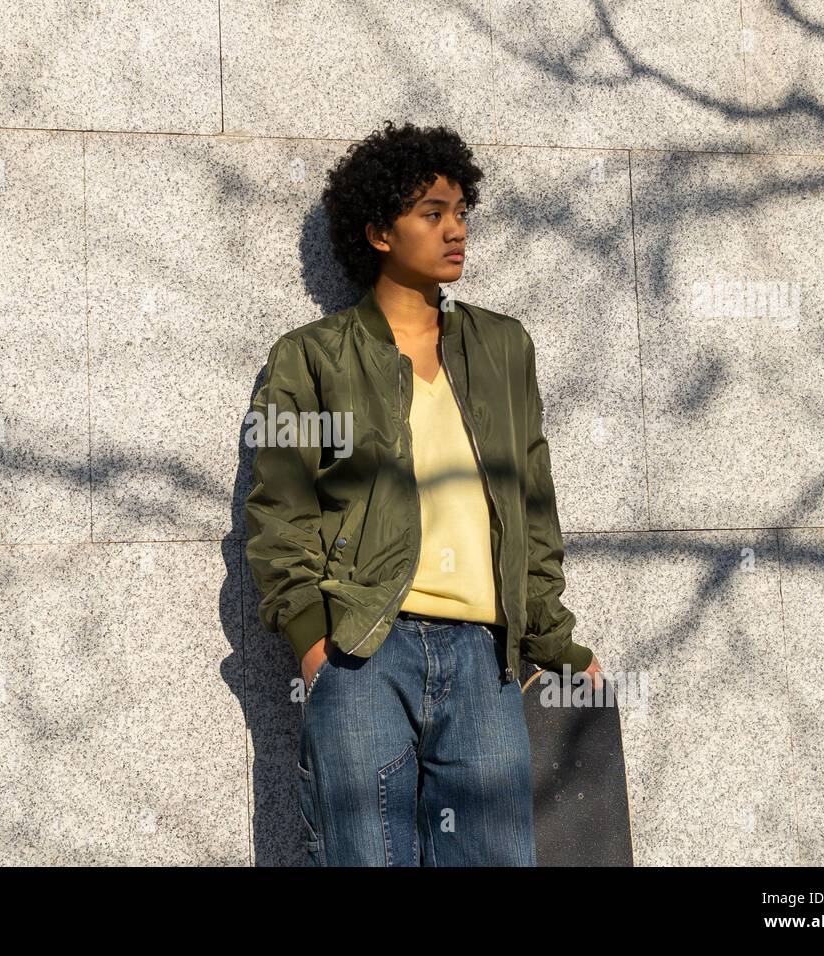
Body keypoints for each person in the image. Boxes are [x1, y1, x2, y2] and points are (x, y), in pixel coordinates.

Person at [244, 120, 603, 866]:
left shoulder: (503, 348)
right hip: (364, 651)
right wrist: (315, 647)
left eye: (461, 212)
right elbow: (281, 510)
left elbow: (533, 509)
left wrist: (554, 643)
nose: (455, 230)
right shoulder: (313, 357)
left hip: (484, 657)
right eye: (432, 213)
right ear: (379, 232)